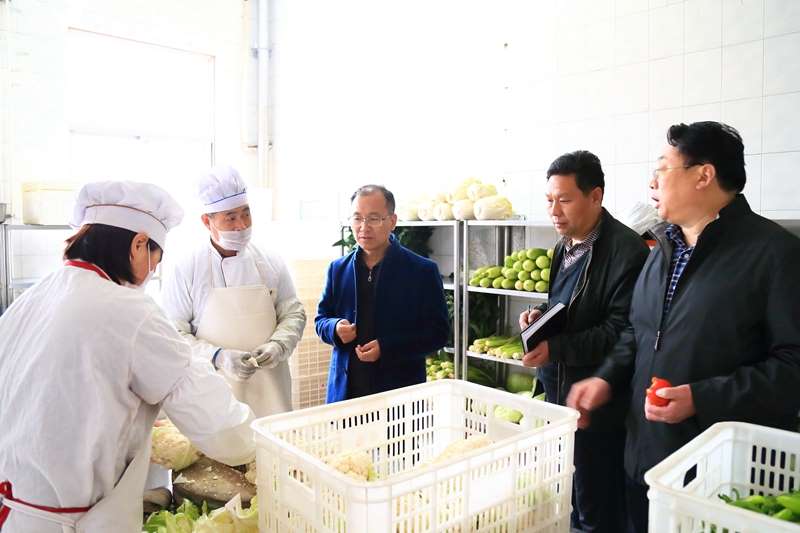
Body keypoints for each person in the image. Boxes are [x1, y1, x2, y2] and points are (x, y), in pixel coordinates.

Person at [566, 122, 800, 533]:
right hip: (646, 462)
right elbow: (638, 331)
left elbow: (792, 367)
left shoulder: (775, 253)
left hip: (718, 475)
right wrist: (605, 378)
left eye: (662, 168)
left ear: (703, 175)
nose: (651, 181)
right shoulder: (662, 248)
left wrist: (702, 397)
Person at [0, 181, 255, 533]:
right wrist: (256, 445)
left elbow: (72, 394)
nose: (153, 271)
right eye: (155, 259)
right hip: (71, 522)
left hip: (14, 512)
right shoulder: (130, 310)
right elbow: (216, 422)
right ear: (138, 244)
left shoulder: (34, 297)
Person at [517, 150, 649, 533]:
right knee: (571, 493)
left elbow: (620, 330)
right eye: (549, 200)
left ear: (596, 196)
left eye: (564, 199)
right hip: (561, 389)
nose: (554, 211)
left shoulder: (627, 250)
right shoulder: (566, 245)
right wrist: (539, 315)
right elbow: (569, 306)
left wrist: (555, 348)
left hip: (597, 400)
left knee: (597, 501)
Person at [161, 165, 306, 417]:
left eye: (246, 214)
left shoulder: (270, 261)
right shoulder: (187, 268)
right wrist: (218, 357)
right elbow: (173, 333)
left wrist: (279, 345)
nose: (241, 225)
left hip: (271, 392)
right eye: (230, 217)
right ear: (207, 221)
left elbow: (293, 312)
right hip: (213, 395)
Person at [316, 184, 449, 402]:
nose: (364, 227)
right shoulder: (337, 269)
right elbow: (321, 320)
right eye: (357, 218)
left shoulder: (421, 271)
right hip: (346, 394)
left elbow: (438, 334)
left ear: (392, 221)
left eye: (374, 218)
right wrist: (335, 327)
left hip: (399, 394)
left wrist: (387, 347)